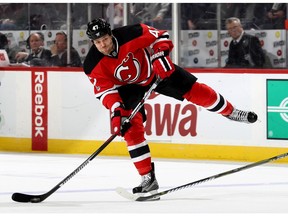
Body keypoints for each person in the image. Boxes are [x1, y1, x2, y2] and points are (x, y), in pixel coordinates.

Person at [83, 18, 258, 197]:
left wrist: (160, 56)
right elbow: (105, 91)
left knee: (197, 91)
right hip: (127, 88)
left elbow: (160, 36)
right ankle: (148, 179)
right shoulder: (91, 64)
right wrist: (117, 111)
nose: (103, 45)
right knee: (130, 127)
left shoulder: (131, 33)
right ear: (92, 42)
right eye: (98, 42)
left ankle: (230, 112)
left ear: (110, 34)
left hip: (155, 71)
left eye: (105, 39)